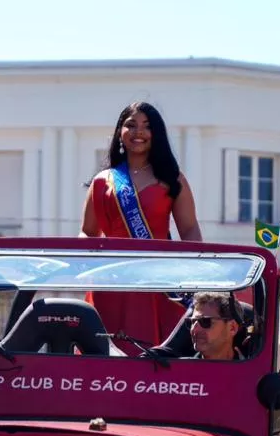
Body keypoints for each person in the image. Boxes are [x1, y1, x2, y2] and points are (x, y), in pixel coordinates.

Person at [81, 103, 202, 350]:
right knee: (103, 353)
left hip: (156, 281)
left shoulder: (172, 178)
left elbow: (189, 229)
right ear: (119, 132)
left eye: (147, 127)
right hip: (109, 280)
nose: (139, 132)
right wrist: (86, 260)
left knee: (151, 353)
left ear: (157, 133)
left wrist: (195, 271)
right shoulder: (102, 181)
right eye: (131, 125)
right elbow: (87, 231)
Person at [188, 293, 243, 360]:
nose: (194, 330)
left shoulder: (252, 370)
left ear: (232, 328)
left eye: (205, 321)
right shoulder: (181, 369)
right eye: (192, 322)